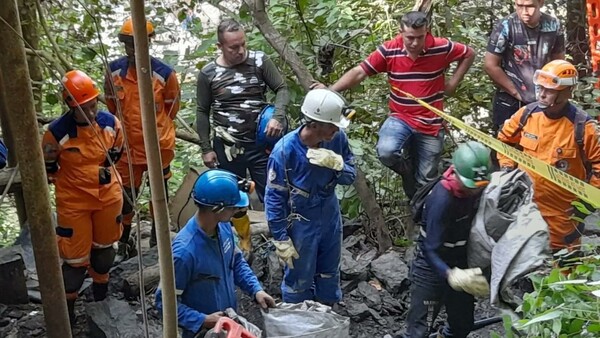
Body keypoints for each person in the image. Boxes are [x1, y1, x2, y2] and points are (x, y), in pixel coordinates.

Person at [312, 11, 474, 199]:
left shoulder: (441, 47)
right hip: (400, 117)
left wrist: (453, 84)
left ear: (427, 32)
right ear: (401, 32)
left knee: (427, 180)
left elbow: (469, 53)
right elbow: (360, 72)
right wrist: (330, 91)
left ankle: (421, 217)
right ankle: (407, 172)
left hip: (431, 123)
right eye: (410, 38)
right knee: (386, 152)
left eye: (420, 37)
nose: (415, 43)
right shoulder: (390, 49)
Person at [195, 18, 289, 255]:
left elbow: (281, 88)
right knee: (233, 196)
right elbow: (202, 111)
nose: (240, 51)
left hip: (261, 143)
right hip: (227, 146)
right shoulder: (208, 74)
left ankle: (283, 241)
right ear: (220, 46)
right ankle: (244, 241)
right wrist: (206, 147)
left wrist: (278, 116)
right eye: (233, 47)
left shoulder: (259, 61)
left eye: (242, 45)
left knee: (274, 192)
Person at [42, 70, 124, 323]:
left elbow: (117, 153)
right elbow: (48, 165)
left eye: (93, 106)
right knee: (75, 261)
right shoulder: (57, 132)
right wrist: (80, 179)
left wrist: (101, 175)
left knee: (104, 251)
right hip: (73, 202)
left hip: (108, 196)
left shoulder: (110, 123)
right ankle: (67, 316)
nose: (90, 113)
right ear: (70, 105)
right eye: (83, 108)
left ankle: (101, 299)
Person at [155, 169, 275, 338]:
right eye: (233, 207)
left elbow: (236, 262)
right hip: (202, 332)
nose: (236, 211)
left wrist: (256, 290)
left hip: (228, 323)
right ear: (217, 209)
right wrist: (202, 320)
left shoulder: (223, 226)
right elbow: (164, 303)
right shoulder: (184, 253)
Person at [264, 88, 356, 304]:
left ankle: (326, 317)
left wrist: (338, 164)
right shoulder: (284, 152)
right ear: (314, 124)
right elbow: (274, 198)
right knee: (300, 276)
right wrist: (281, 238)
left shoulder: (337, 138)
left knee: (329, 273)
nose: (335, 130)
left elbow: (350, 176)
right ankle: (297, 321)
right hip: (301, 220)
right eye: (332, 126)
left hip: (330, 215)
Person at [497, 60, 600, 250]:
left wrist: (585, 205)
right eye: (540, 88)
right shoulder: (527, 115)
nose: (542, 94)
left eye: (550, 90)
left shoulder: (583, 127)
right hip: (525, 204)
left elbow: (599, 168)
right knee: (521, 258)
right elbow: (504, 141)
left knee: (564, 264)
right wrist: (507, 170)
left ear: (567, 92)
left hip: (563, 212)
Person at [104, 18, 181, 261]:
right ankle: (124, 242)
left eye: (137, 43)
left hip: (158, 147)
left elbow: (172, 108)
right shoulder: (114, 71)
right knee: (125, 198)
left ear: (149, 42)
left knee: (159, 196)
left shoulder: (165, 74)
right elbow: (111, 104)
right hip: (126, 148)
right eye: (128, 43)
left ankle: (158, 241)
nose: (132, 48)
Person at [403, 141, 491, 338]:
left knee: (462, 324)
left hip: (461, 259)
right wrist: (450, 275)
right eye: (470, 187)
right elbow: (430, 248)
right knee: (420, 330)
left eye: (479, 187)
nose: (474, 191)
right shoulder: (442, 200)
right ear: (457, 174)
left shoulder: (479, 187)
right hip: (432, 267)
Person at [484, 0, 564, 133]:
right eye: (519, 6)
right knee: (506, 146)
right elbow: (490, 65)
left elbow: (559, 64)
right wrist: (517, 92)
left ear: (541, 3)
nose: (525, 12)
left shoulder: (553, 25)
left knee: (543, 144)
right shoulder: (506, 26)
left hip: (544, 96)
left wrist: (555, 94)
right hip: (510, 98)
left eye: (530, 6)